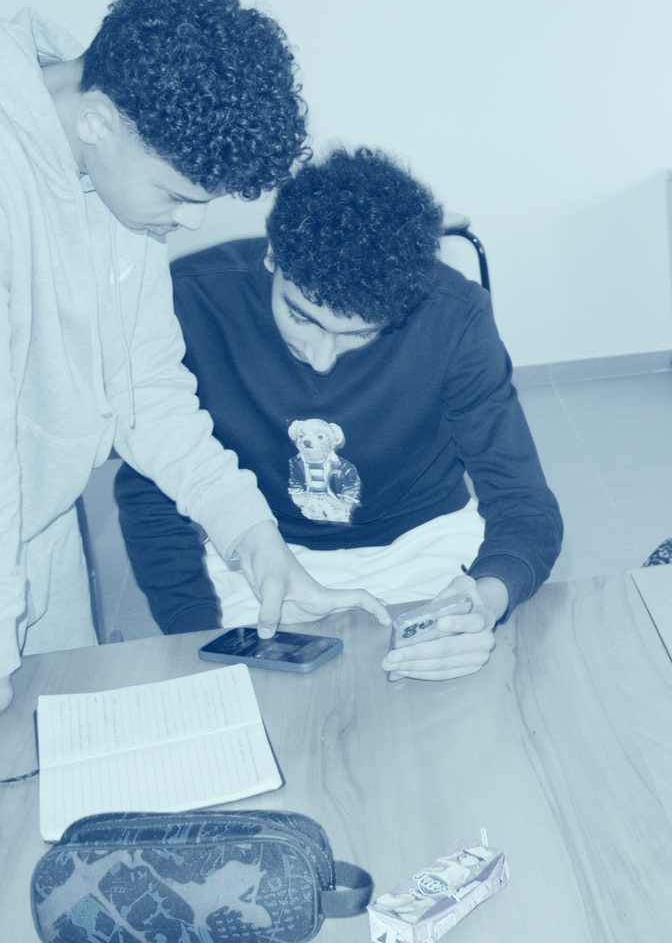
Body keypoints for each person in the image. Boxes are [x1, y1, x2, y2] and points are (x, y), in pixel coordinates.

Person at [1, 0, 389, 714]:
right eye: (178, 195)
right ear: (96, 121)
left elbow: (146, 390)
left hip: (39, 543)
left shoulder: (115, 163)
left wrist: (255, 539)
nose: (190, 222)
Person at [114, 147, 563, 681]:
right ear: (273, 256)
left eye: (358, 334)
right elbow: (152, 495)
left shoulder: (454, 315)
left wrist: (486, 599)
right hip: (254, 549)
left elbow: (522, 501)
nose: (322, 359)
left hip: (421, 547)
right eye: (301, 317)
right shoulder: (190, 300)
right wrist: (194, 631)